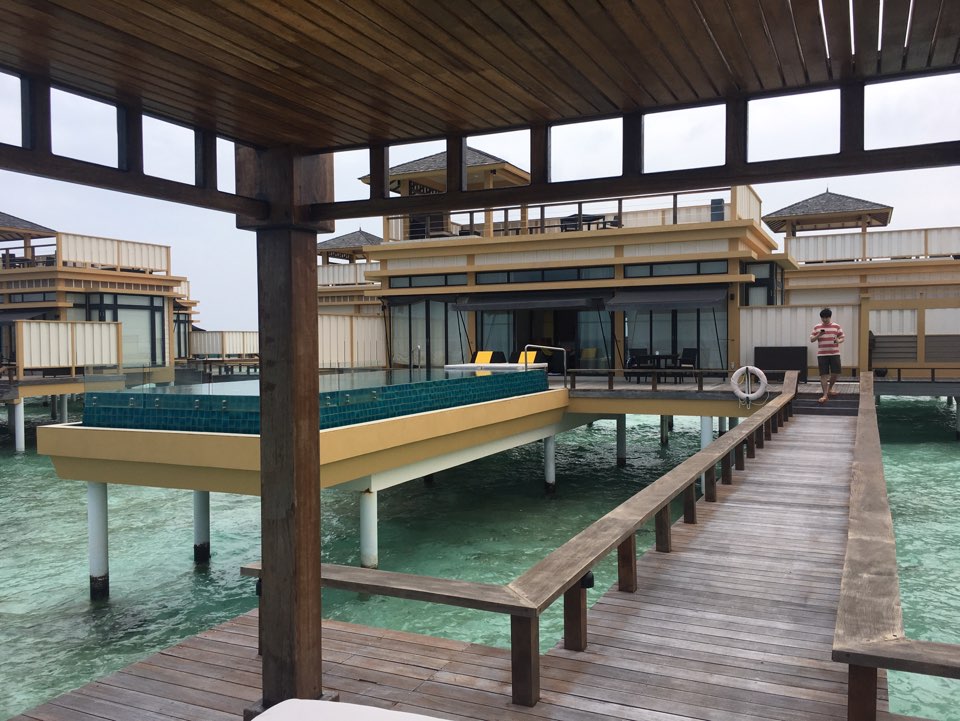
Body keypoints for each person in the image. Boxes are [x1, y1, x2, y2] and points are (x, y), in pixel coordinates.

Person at [810, 308, 845, 403]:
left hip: (835, 353)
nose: (825, 319)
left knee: (836, 373)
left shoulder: (836, 326)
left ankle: (830, 388)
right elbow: (812, 339)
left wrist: (838, 341)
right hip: (822, 354)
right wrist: (819, 335)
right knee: (823, 375)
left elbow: (842, 338)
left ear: (830, 317)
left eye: (826, 317)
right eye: (823, 318)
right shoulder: (817, 327)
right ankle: (825, 395)